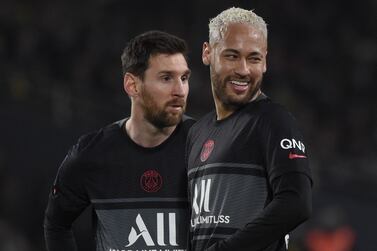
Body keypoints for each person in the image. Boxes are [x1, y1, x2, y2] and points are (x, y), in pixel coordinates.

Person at [44, 30, 195, 251]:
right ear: (132, 85)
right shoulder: (92, 154)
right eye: (166, 78)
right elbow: (56, 224)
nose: (180, 90)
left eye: (184, 78)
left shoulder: (207, 145)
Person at [186, 7, 312, 251]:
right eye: (232, 56)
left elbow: (296, 202)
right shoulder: (196, 133)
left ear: (265, 61)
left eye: (253, 58)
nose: (243, 70)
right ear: (207, 53)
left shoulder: (273, 121)